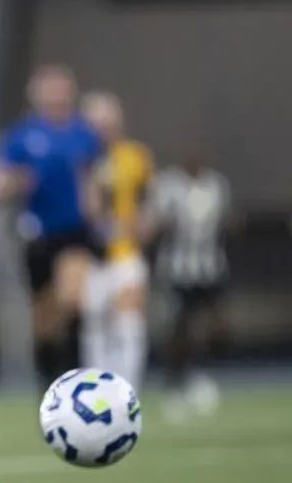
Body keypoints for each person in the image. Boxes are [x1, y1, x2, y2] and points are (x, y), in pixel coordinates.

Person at [0, 65, 103, 388]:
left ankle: (79, 380)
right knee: (44, 316)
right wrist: (13, 183)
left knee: (72, 301)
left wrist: (96, 211)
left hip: (74, 231)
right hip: (38, 233)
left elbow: (93, 179)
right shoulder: (23, 136)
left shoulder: (84, 134)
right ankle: (47, 379)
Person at [143, 149, 233, 420]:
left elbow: (222, 221)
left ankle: (203, 374)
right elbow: (159, 223)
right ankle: (174, 383)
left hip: (210, 267)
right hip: (178, 268)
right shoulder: (169, 186)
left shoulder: (216, 185)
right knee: (180, 327)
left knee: (215, 324)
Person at [80, 91, 155, 390]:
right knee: (95, 324)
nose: (103, 130)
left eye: (108, 123)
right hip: (91, 255)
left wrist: (146, 225)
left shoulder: (134, 155)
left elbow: (149, 197)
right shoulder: (82, 159)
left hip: (125, 251)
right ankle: (97, 390)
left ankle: (128, 390)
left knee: (129, 322)